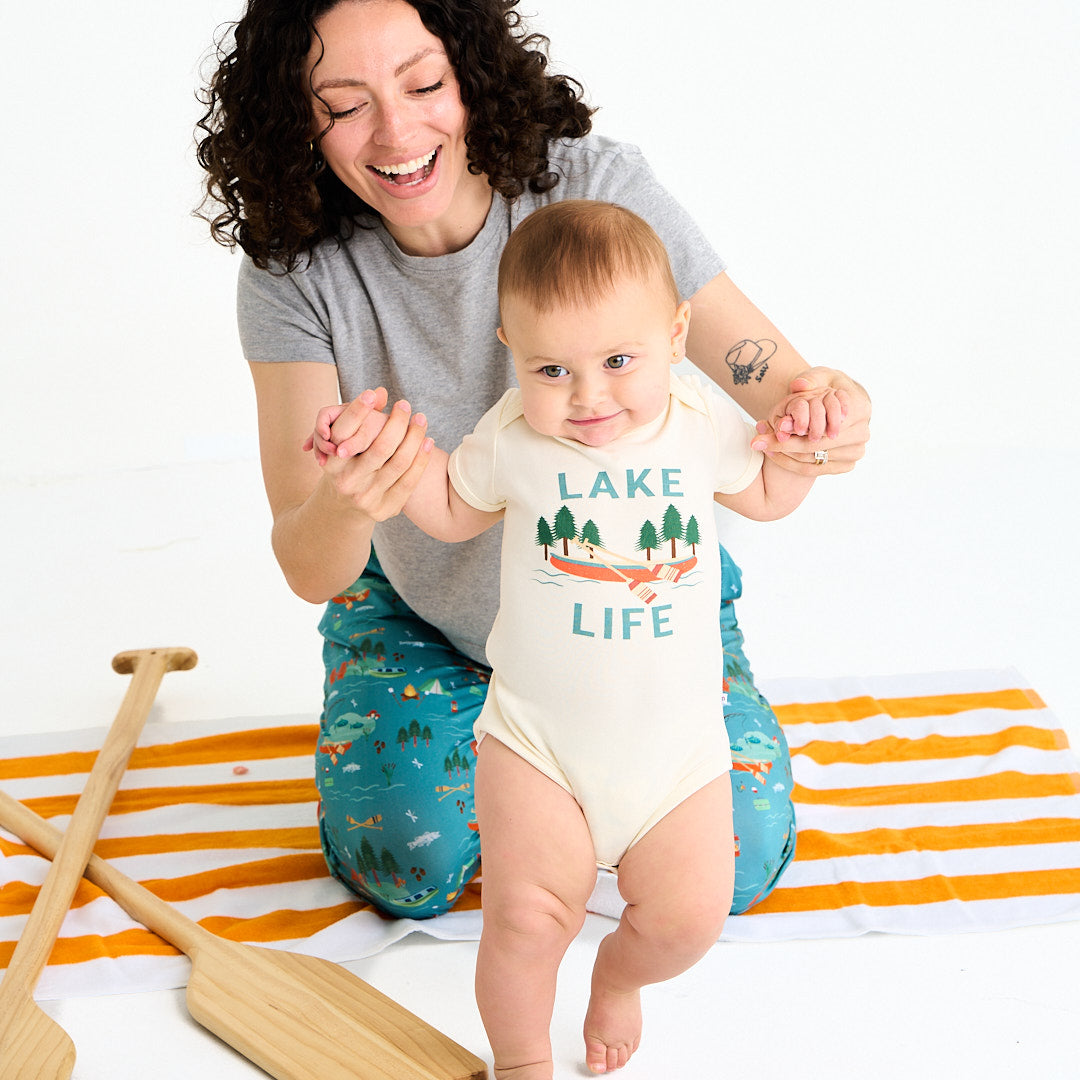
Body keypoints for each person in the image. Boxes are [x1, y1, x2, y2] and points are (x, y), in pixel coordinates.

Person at [195, 0, 870, 924]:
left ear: (472, 73)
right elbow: (312, 566)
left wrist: (822, 411)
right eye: (343, 103)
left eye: (425, 84)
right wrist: (352, 500)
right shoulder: (295, 275)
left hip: (643, 621)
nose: (397, 131)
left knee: (736, 863)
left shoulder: (596, 191)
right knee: (407, 864)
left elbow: (778, 384)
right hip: (429, 620)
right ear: (293, 117)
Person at [309, 199, 821, 1077]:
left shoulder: (700, 421)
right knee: (524, 919)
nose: (586, 397)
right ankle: (520, 1060)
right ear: (511, 347)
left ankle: (617, 981)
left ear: (675, 332)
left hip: (680, 750)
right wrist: (376, 454)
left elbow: (769, 496)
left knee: (689, 916)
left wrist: (804, 446)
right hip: (539, 744)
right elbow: (447, 508)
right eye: (551, 368)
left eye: (619, 361)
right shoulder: (512, 434)